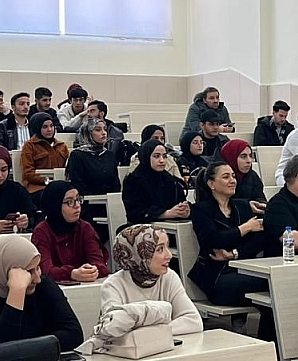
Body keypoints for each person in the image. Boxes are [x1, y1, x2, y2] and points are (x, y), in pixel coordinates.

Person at [188, 161, 273, 339]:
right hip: (217, 276)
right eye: (226, 177)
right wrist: (245, 228)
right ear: (211, 184)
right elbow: (213, 240)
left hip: (243, 269)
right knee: (272, 285)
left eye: (233, 176)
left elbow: (258, 240)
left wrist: (235, 253)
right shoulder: (200, 210)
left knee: (273, 291)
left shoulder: (242, 206)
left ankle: (268, 343)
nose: (232, 180)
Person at [0, 234, 84, 351]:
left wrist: (25, 347)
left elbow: (74, 334)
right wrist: (16, 292)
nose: (37, 279)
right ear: (5, 270)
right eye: (29, 271)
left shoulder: (44, 286)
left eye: (38, 268)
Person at [101, 224, 204, 335]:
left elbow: (193, 321)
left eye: (167, 247)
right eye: (159, 249)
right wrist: (158, 332)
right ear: (139, 253)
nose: (169, 255)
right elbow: (113, 328)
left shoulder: (169, 277)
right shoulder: (113, 285)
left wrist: (154, 333)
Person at [30, 181, 108, 283]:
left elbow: (100, 263)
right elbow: (45, 271)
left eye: (78, 199)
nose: (77, 205)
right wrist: (71, 274)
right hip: (52, 289)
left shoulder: (85, 227)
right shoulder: (41, 232)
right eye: (69, 202)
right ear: (55, 205)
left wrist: (92, 270)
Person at [65, 119, 122, 236]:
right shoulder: (77, 155)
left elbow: (116, 183)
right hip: (88, 205)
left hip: (109, 203)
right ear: (88, 133)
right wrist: (98, 199)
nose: (104, 133)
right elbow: (77, 185)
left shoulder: (109, 155)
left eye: (105, 129)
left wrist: (110, 199)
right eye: (98, 130)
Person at [122, 140, 190, 224]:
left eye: (164, 156)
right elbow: (135, 213)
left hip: (171, 225)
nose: (162, 160)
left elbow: (179, 202)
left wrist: (184, 210)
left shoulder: (171, 180)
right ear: (146, 156)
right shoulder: (133, 180)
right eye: (156, 156)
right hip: (141, 227)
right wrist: (165, 214)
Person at [20, 113, 70, 196]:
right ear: (37, 128)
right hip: (37, 188)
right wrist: (45, 180)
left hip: (60, 185)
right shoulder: (30, 146)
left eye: (51, 126)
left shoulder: (61, 145)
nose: (49, 129)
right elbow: (27, 173)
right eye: (45, 127)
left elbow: (68, 168)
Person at [220, 138, 266, 203]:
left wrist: (261, 205)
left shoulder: (253, 176)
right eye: (243, 156)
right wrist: (247, 205)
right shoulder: (219, 177)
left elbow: (260, 197)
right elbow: (222, 202)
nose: (249, 161)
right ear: (231, 157)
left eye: (250, 156)